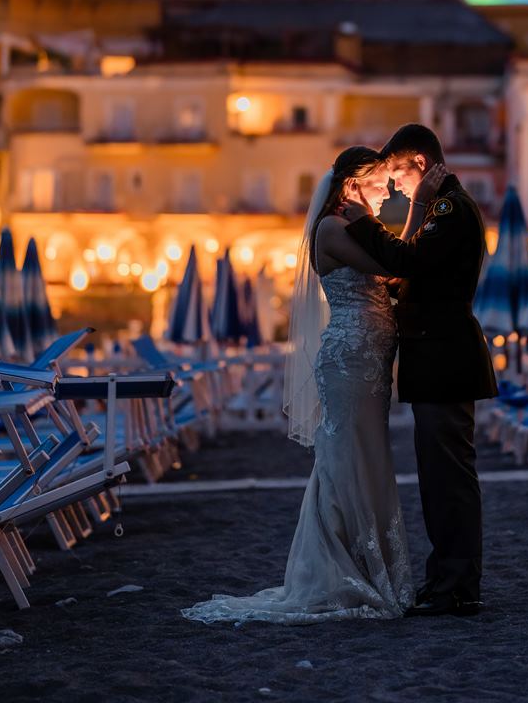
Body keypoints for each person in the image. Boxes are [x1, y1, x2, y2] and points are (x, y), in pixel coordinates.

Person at [183, 145, 441, 626]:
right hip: (349, 358)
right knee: (347, 457)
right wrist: (421, 209)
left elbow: (392, 265)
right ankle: (343, 570)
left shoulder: (358, 229)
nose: (387, 189)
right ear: (351, 183)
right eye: (379, 180)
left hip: (368, 358)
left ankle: (368, 565)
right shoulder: (332, 230)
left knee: (367, 455)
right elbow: (397, 265)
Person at [343, 124, 498, 618]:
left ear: (420, 164)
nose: (397, 188)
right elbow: (416, 273)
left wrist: (360, 223)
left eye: (399, 177)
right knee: (436, 478)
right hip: (436, 360)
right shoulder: (436, 209)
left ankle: (458, 586)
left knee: (448, 477)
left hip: (445, 360)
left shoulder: (450, 209)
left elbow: (410, 260)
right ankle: (444, 579)